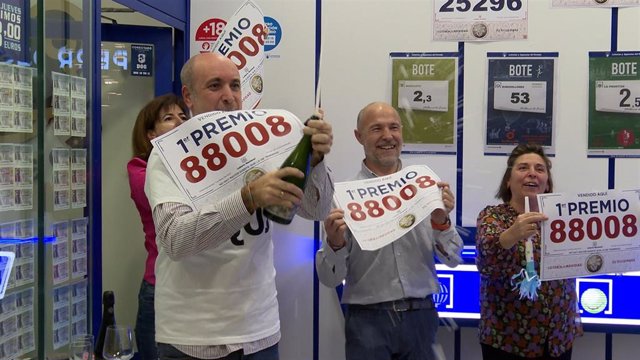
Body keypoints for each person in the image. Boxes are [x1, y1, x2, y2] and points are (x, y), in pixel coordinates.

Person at [145, 53, 334, 360]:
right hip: (192, 337)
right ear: (188, 96)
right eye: (215, 86)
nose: (229, 97)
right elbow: (174, 240)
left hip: (258, 330)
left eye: (235, 85)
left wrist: (317, 162)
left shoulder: (266, 143)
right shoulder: (168, 155)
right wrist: (248, 199)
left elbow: (317, 210)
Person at [315, 101, 463, 360]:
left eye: (394, 127)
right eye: (376, 129)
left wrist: (442, 221)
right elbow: (329, 278)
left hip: (421, 315)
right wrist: (335, 244)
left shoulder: (426, 188)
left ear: (402, 133)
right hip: (367, 321)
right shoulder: (342, 197)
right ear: (358, 136)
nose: (387, 136)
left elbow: (454, 259)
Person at [475, 143, 583, 360]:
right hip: (507, 341)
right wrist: (512, 234)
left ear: (547, 182)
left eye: (540, 169)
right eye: (523, 168)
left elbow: (573, 266)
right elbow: (486, 263)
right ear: (508, 180)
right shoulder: (492, 217)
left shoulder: (560, 219)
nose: (532, 173)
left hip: (557, 338)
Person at [127, 93, 188, 360]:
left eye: (183, 117)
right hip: (160, 286)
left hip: (193, 287)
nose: (180, 122)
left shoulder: (197, 166)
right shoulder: (139, 168)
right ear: (151, 134)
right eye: (168, 118)